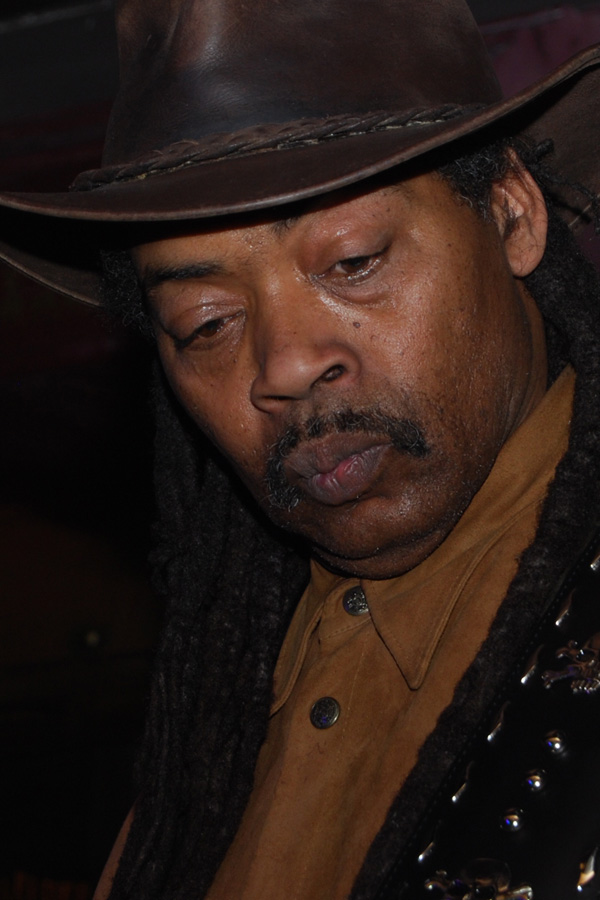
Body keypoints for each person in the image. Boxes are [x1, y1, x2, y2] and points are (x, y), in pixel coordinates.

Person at [1, 0, 600, 897]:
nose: (282, 366)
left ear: (511, 216)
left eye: (353, 262)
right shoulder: (209, 725)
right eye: (206, 323)